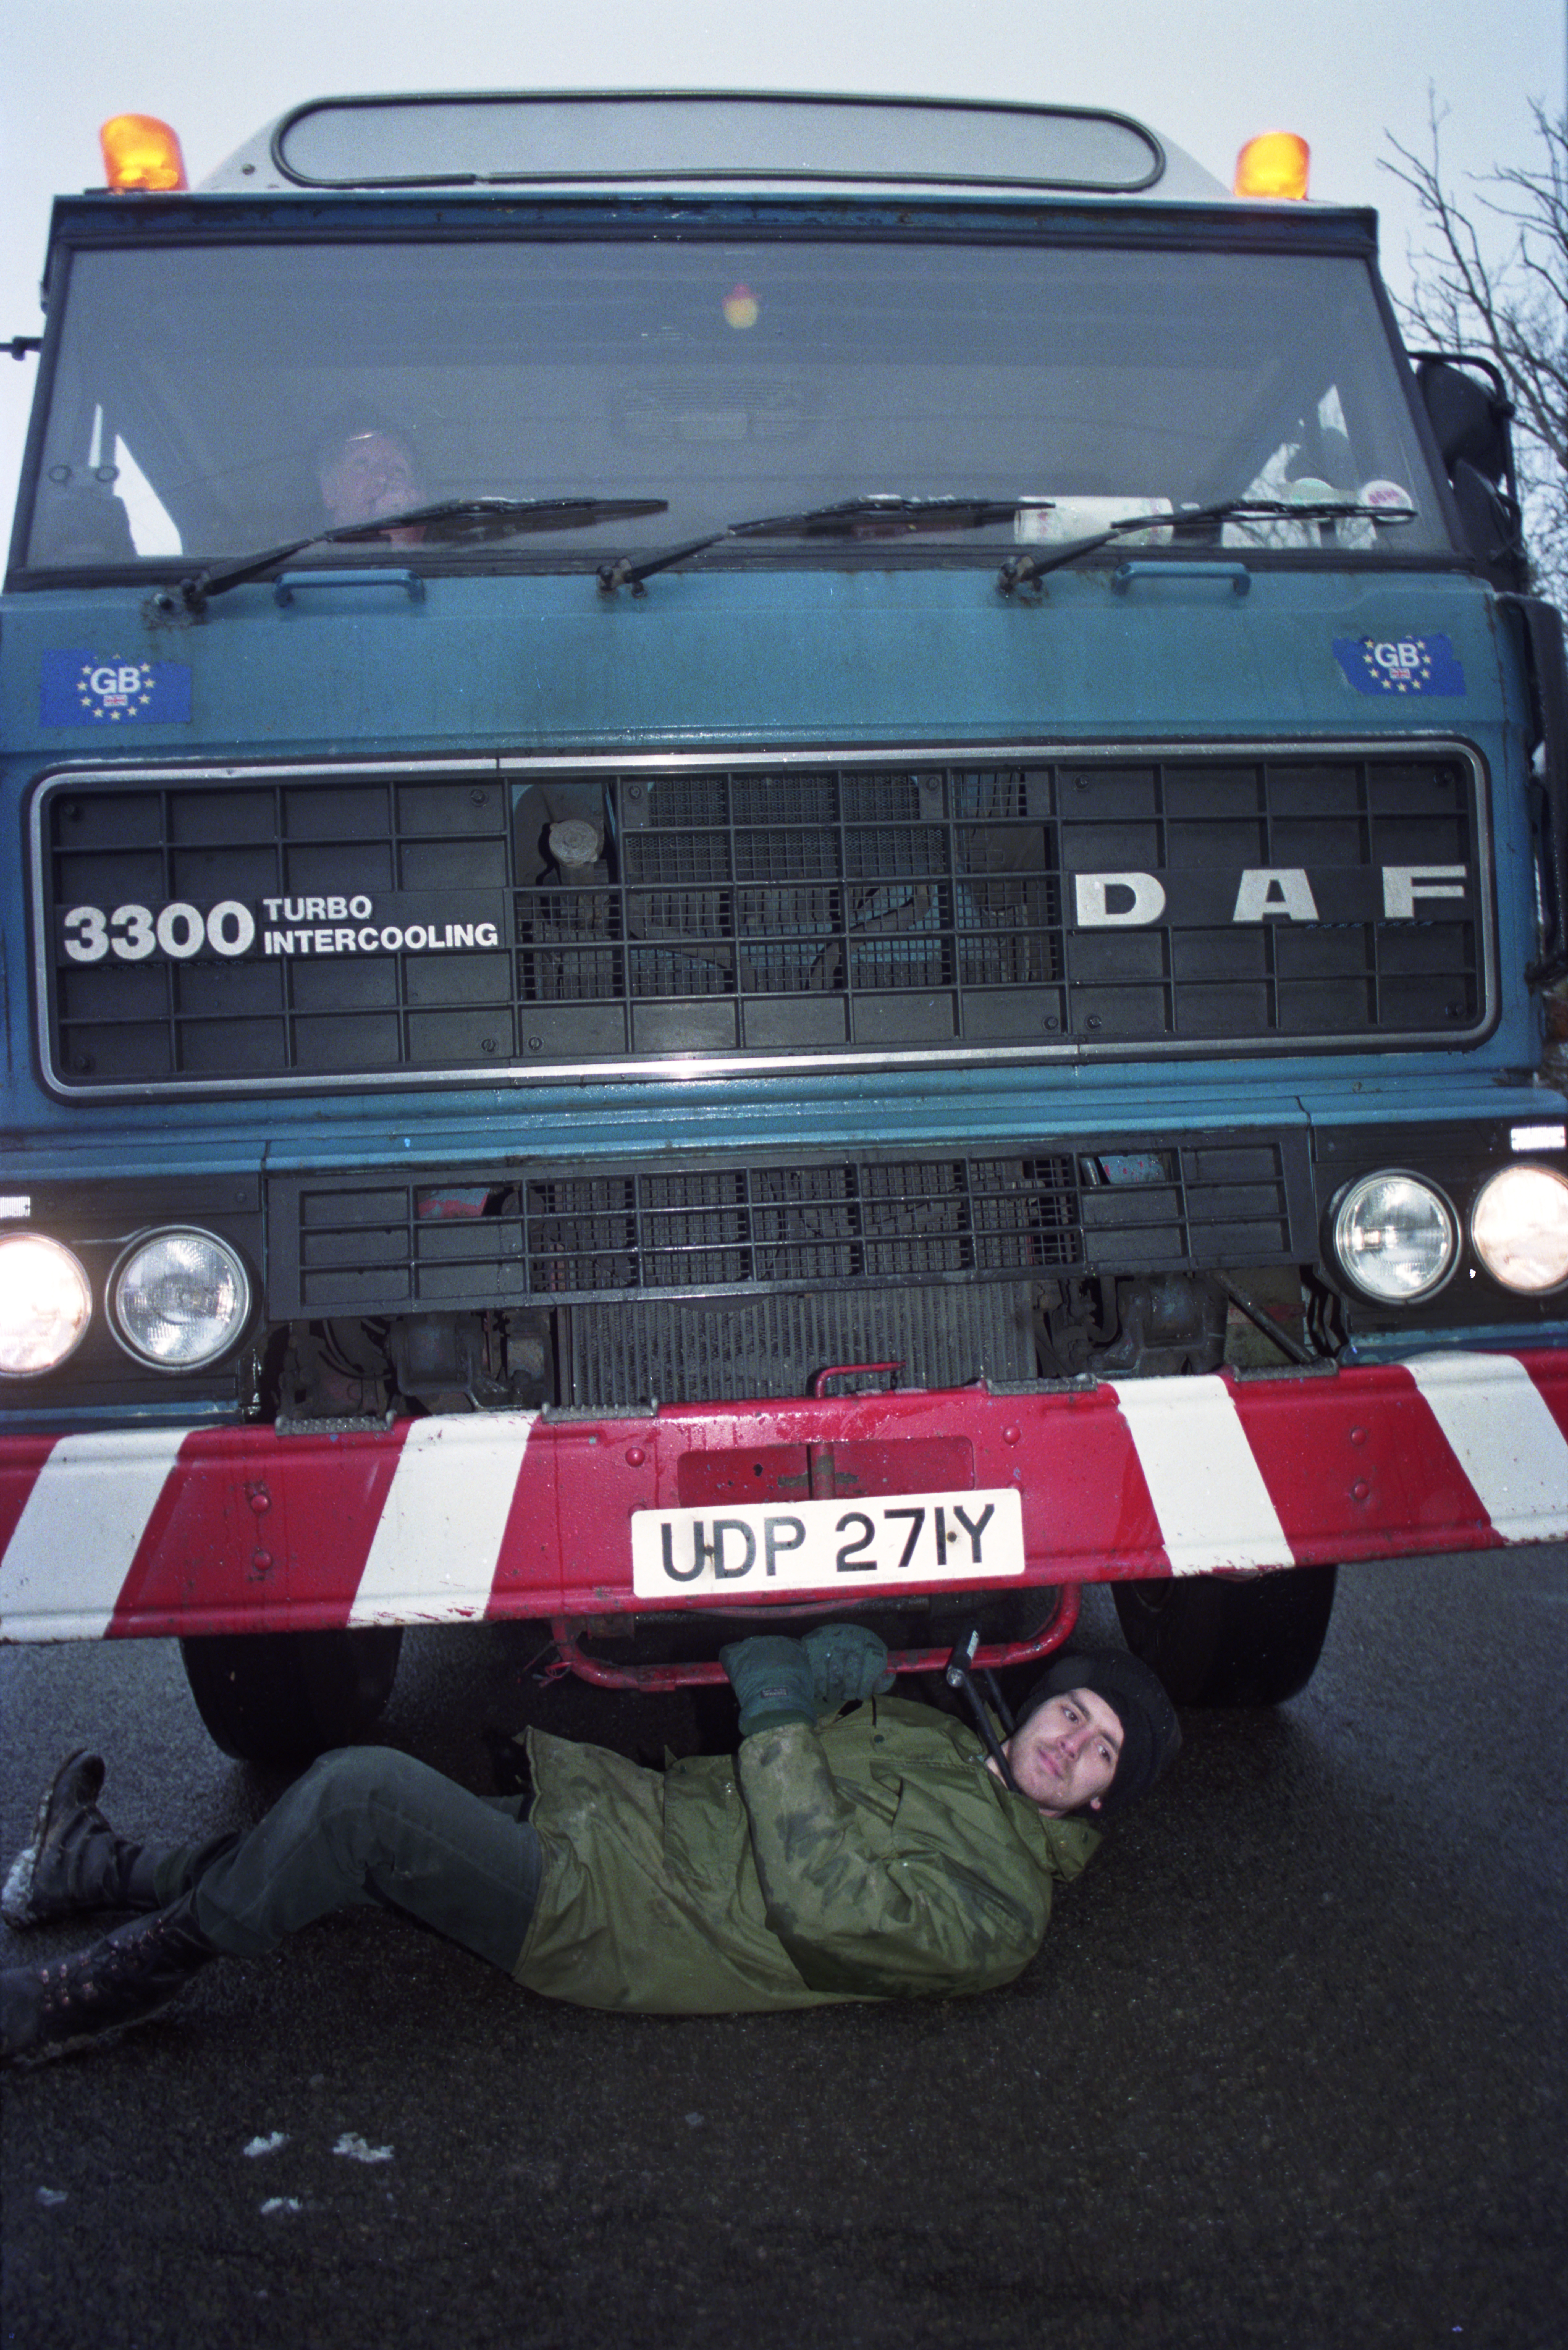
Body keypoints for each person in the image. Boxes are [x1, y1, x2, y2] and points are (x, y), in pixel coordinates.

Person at [0, 1627, 1179, 2063]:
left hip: (622, 1920)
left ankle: (106, 1986)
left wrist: (776, 1723)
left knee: (361, 1798)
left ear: (1094, 1809)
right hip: (624, 1831)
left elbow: (830, 1906)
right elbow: (805, 1742)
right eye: (1074, 1712)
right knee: (340, 1855)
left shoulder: (1003, 1917)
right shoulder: (944, 1746)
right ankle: (98, 1870)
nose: (1072, 1743)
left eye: (1102, 1754)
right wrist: (824, 1678)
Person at [313, 415, 426, 543]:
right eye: (363, 465)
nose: (383, 476)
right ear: (328, 489)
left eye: (397, 469)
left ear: (420, 498)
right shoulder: (304, 561)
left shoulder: (445, 555)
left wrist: (408, 533)